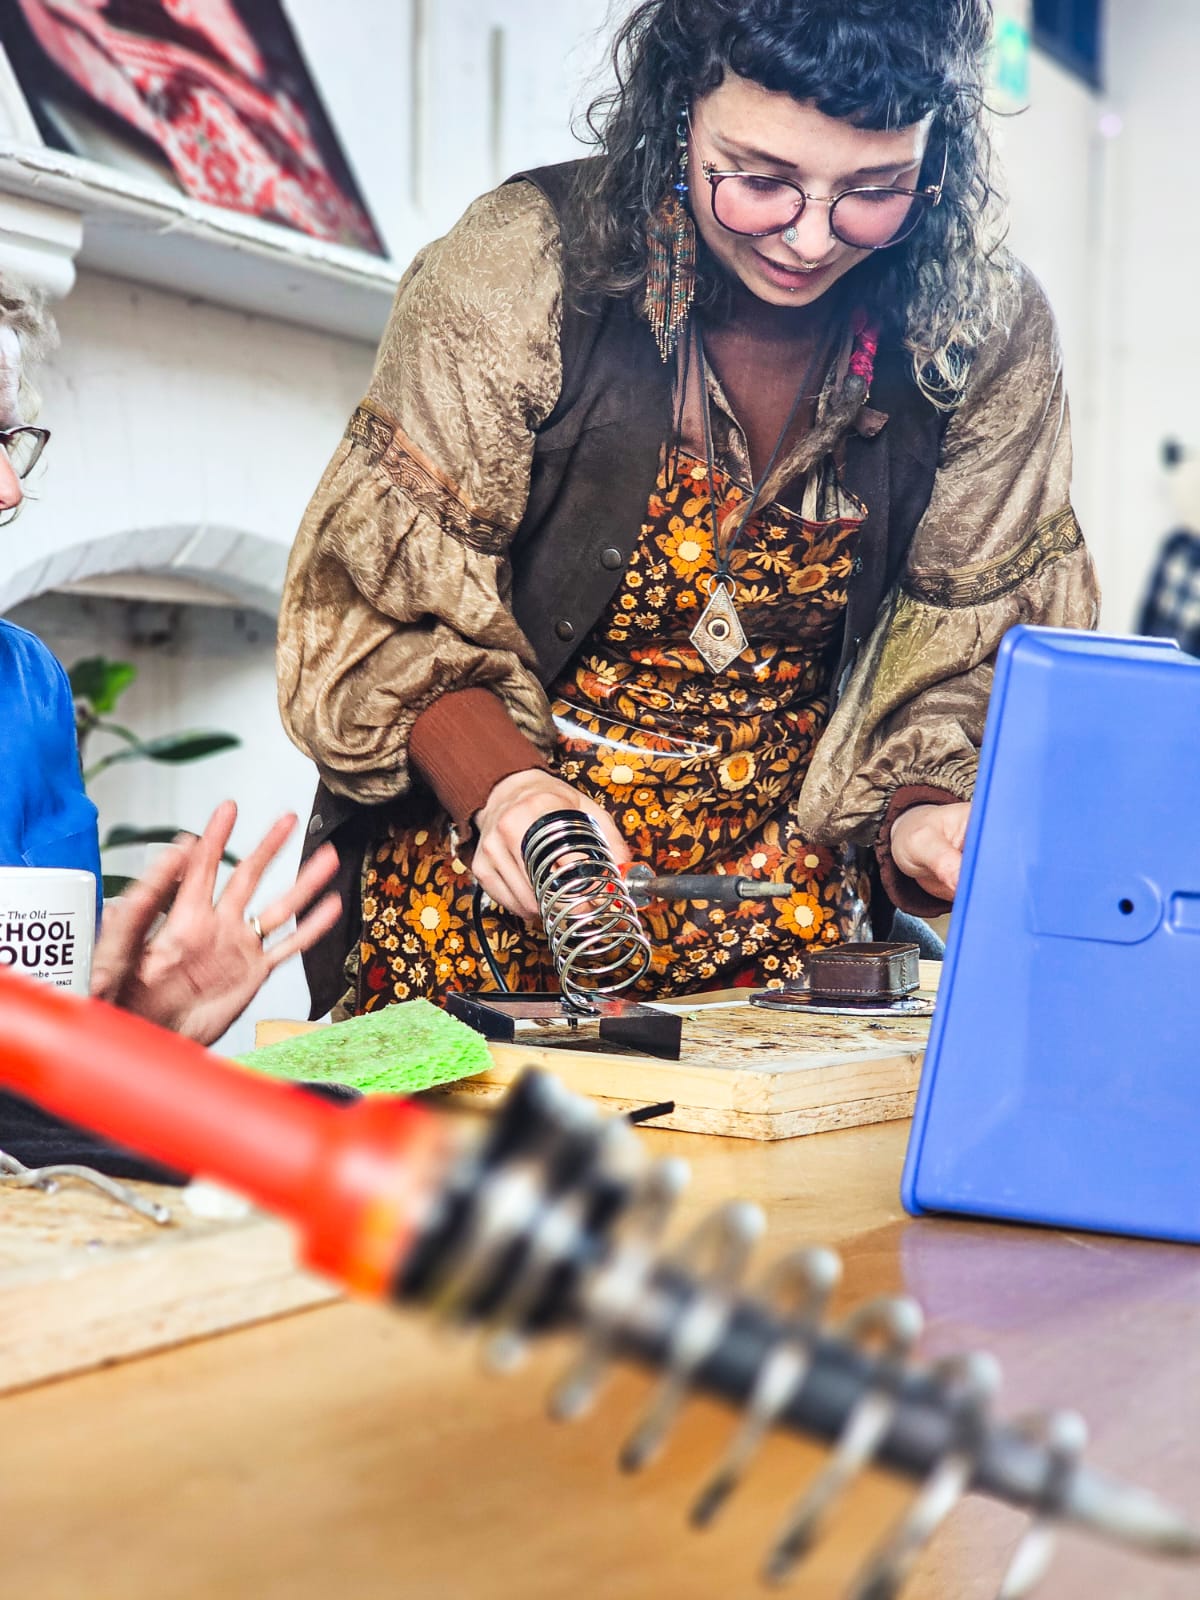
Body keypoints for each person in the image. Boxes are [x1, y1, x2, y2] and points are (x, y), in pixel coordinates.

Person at [279, 0, 1099, 1019]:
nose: (809, 236)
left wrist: (927, 818)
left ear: (938, 162)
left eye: (875, 191)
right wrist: (510, 792)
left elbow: (966, 661)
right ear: (678, 108)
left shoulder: (984, 335)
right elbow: (381, 612)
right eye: (758, 180)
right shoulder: (518, 272)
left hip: (786, 934)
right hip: (499, 901)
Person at [0, 279, 340, 1047]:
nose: (10, 490)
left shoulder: (31, 682)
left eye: (7, 442)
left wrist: (134, 1028)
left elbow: (44, 1033)